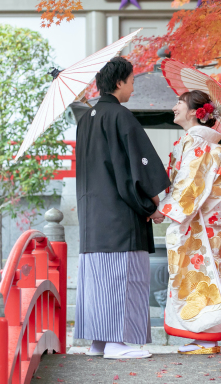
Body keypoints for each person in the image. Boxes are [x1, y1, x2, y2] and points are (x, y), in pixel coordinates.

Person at [72, 56, 169, 359]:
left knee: (98, 278)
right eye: (131, 81)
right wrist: (154, 204)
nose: (133, 87)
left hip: (92, 219)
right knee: (122, 277)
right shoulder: (121, 117)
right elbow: (139, 169)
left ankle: (99, 341)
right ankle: (117, 342)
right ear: (118, 82)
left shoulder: (85, 120)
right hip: (120, 218)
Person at [157, 90, 221, 355]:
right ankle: (201, 335)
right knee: (196, 276)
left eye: (179, 103)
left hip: (197, 221)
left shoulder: (200, 144)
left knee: (201, 275)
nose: (174, 107)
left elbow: (189, 184)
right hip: (197, 220)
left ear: (194, 111)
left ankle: (207, 337)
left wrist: (163, 209)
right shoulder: (194, 143)